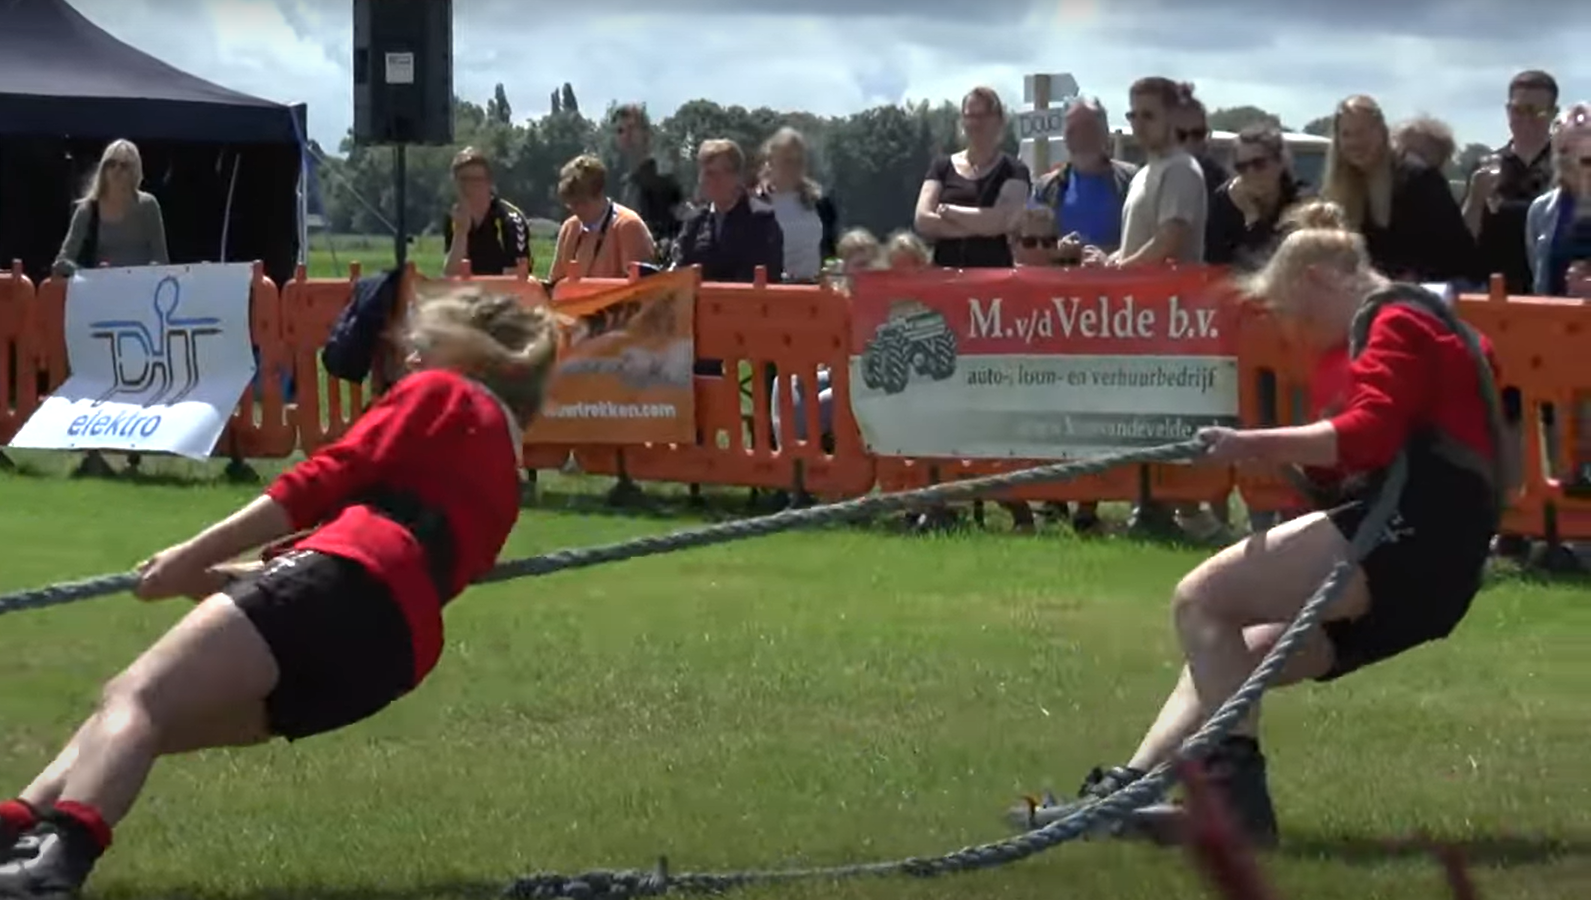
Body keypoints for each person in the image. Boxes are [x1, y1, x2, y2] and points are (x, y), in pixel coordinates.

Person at [0, 284, 560, 899]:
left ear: (475, 364)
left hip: (343, 586)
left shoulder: (443, 394)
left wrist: (195, 552)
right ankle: (18, 831)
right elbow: (353, 568)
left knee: (136, 697)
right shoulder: (505, 481)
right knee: (138, 722)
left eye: (425, 349)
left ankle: (48, 872)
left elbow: (321, 485)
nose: (409, 364)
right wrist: (208, 579)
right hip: (390, 658)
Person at [1015, 200, 1504, 849]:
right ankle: (1126, 792)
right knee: (1228, 654)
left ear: (1321, 279)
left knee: (1202, 598)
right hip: (1437, 573)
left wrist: (1250, 444)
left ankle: (1235, 808)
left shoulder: (1395, 323)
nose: (1301, 330)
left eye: (1299, 311)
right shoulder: (1434, 321)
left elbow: (1365, 435)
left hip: (1409, 543)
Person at [914, 86, 1032, 268]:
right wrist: (981, 228)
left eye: (983, 116)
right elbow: (923, 220)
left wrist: (950, 212)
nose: (975, 124)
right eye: (970, 116)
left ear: (999, 121)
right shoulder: (941, 167)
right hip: (945, 278)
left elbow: (1003, 220)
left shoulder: (1014, 170)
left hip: (994, 279)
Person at [51, 139, 169, 277]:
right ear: (103, 169)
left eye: (124, 166)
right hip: (102, 289)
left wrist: (148, 272)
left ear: (135, 172)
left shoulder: (148, 205)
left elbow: (161, 259)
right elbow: (62, 261)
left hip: (140, 288)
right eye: (111, 164)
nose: (116, 170)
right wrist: (91, 274)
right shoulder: (88, 209)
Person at [548, 154, 656, 283]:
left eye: (581, 203)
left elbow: (643, 291)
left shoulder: (629, 226)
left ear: (599, 194)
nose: (576, 210)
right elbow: (554, 284)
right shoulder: (570, 229)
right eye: (571, 204)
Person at [442, 147, 532, 277]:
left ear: (489, 183)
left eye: (477, 180)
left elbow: (516, 277)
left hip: (503, 293)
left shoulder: (511, 220)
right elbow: (449, 276)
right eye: (464, 180)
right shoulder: (454, 218)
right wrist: (460, 233)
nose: (469, 187)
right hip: (465, 294)